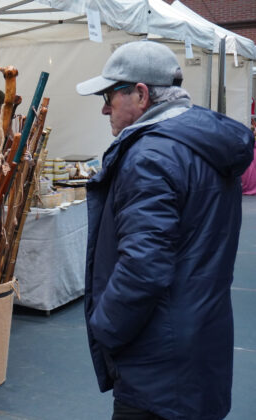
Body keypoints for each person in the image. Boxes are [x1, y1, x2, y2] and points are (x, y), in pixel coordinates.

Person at [76, 40, 254, 420]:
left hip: (157, 361)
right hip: (200, 337)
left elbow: (143, 267)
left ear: (140, 94)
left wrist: (104, 326)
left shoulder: (151, 157)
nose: (105, 107)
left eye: (109, 95)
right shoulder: (200, 145)